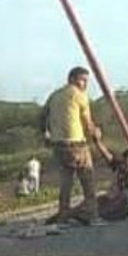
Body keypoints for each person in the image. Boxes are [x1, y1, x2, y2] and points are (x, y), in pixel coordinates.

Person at [41, 66, 101, 225]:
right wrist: (96, 133)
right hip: (76, 144)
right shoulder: (79, 95)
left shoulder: (54, 95)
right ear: (72, 79)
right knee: (88, 179)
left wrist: (45, 134)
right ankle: (92, 215)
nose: (85, 84)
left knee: (66, 181)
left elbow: (42, 116)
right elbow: (88, 124)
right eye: (83, 80)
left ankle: (63, 215)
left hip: (58, 144)